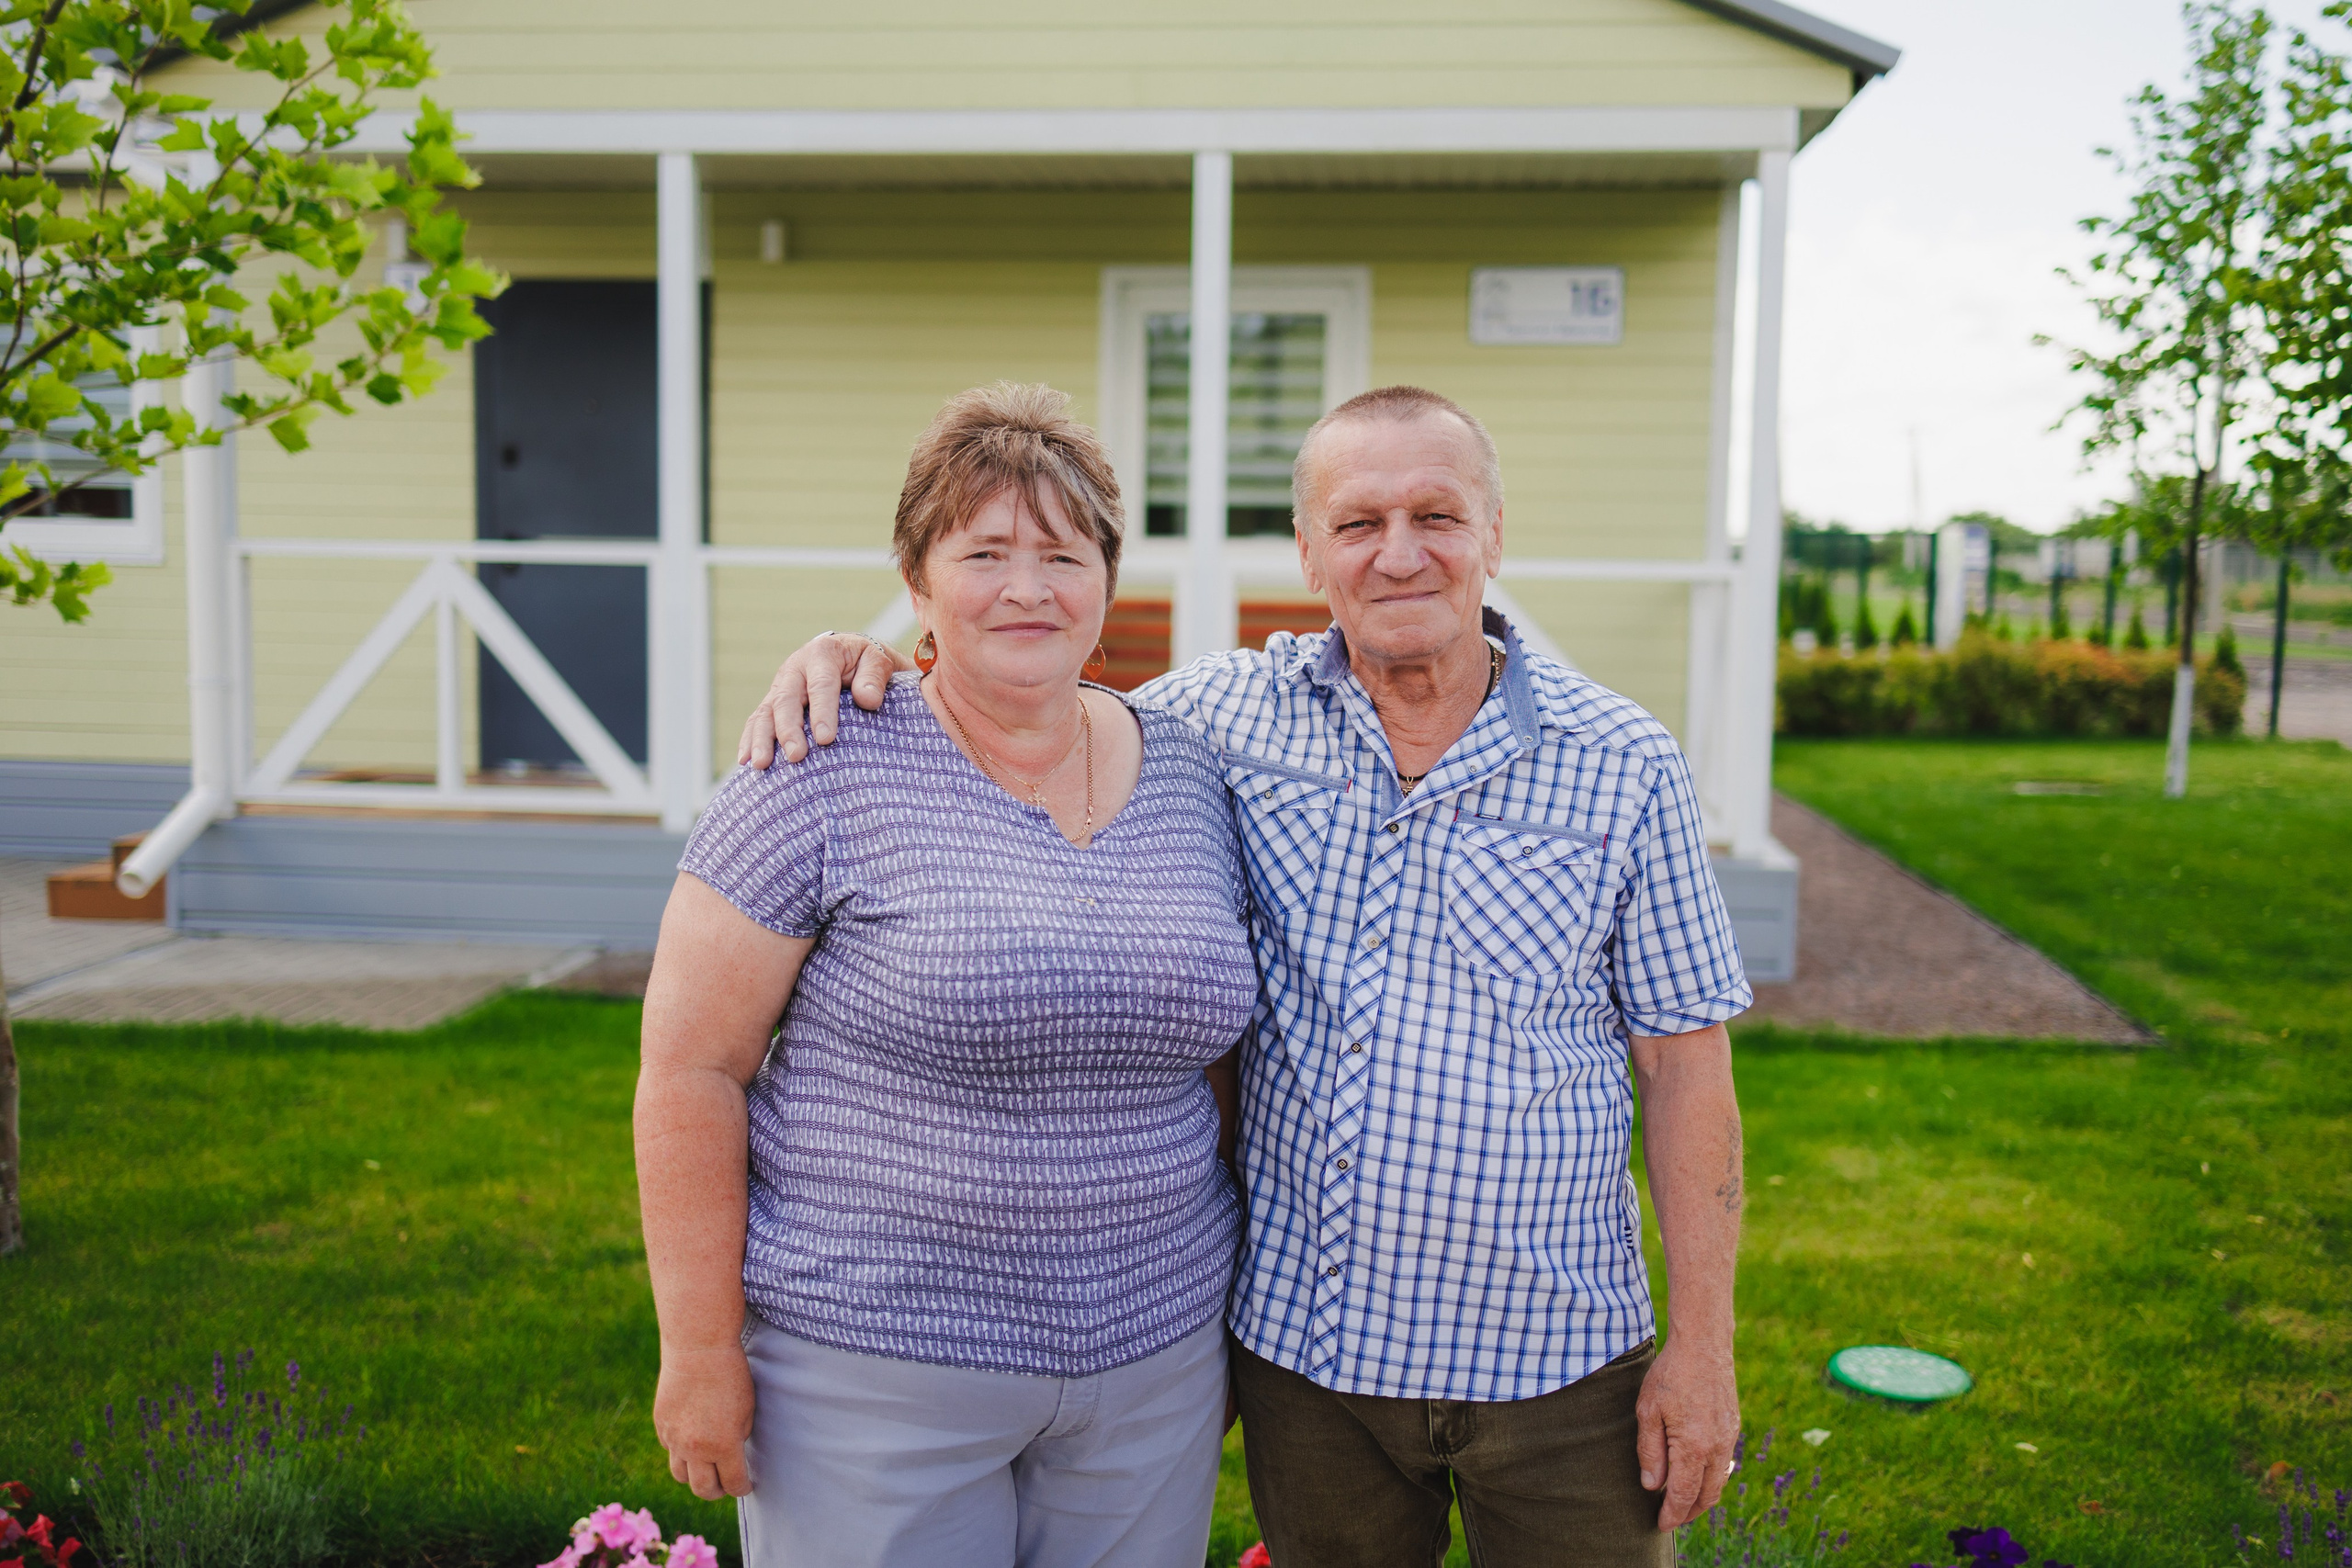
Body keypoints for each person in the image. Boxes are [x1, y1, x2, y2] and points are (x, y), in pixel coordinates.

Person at [741, 385, 1753, 1568]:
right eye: (1358, 523)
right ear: (1310, 555)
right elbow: (1028, 692)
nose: (1400, 553)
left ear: (1493, 534)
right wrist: (853, 656)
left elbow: (1686, 1068)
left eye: (1436, 515)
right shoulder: (1210, 725)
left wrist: (1705, 1348)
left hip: (1558, 1358)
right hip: (1310, 1365)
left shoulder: (1626, 764)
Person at [635, 382, 1256, 1568]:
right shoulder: (819, 762)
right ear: (917, 583)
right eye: (984, 554)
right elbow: (692, 1069)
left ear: (1108, 583)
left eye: (1064, 556)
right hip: (875, 1375)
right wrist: (699, 1347)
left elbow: (1218, 1055)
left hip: (1155, 1363)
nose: (1029, 588)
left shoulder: (1191, 772)